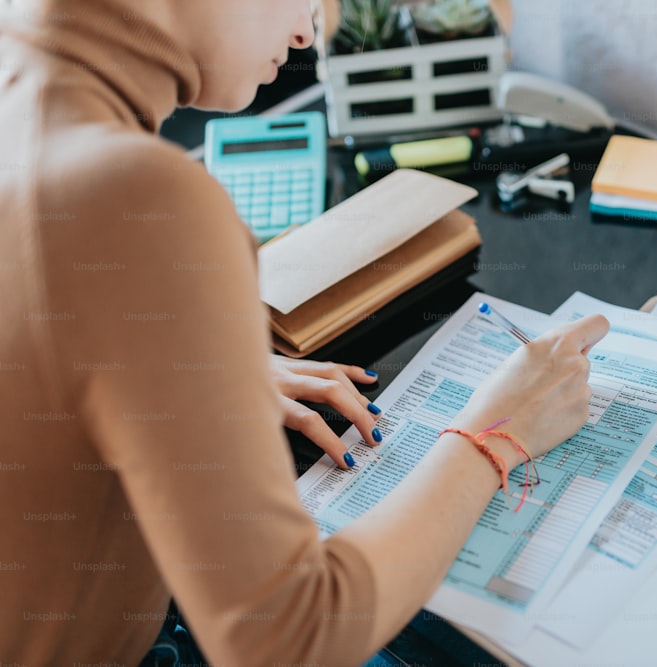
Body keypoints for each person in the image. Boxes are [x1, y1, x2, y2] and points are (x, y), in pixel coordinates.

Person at [0, 0, 610, 665]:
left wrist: (190, 363)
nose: (303, 35)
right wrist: (495, 433)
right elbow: (288, 638)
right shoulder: (138, 197)